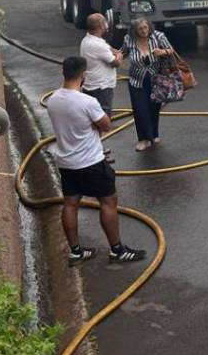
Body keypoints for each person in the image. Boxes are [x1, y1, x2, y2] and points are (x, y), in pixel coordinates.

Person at [46, 55, 145, 265]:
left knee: (70, 204)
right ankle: (117, 250)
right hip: (90, 161)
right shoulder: (87, 102)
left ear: (63, 73)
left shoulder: (53, 99)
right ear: (83, 75)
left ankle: (76, 251)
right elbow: (106, 124)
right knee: (108, 202)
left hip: (66, 162)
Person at [122, 17, 174, 152]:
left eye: (146, 28)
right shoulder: (129, 39)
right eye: (140, 29)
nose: (144, 31)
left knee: (154, 108)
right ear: (134, 31)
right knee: (139, 109)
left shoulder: (158, 36)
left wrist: (162, 52)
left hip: (155, 78)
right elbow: (122, 53)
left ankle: (154, 134)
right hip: (136, 80)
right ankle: (143, 139)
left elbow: (171, 50)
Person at [80, 13, 122, 115]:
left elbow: (104, 47)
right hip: (102, 87)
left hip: (89, 85)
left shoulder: (86, 40)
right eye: (104, 22)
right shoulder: (99, 46)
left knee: (91, 116)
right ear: (100, 26)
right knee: (103, 116)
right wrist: (119, 55)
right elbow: (116, 63)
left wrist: (112, 50)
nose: (107, 24)